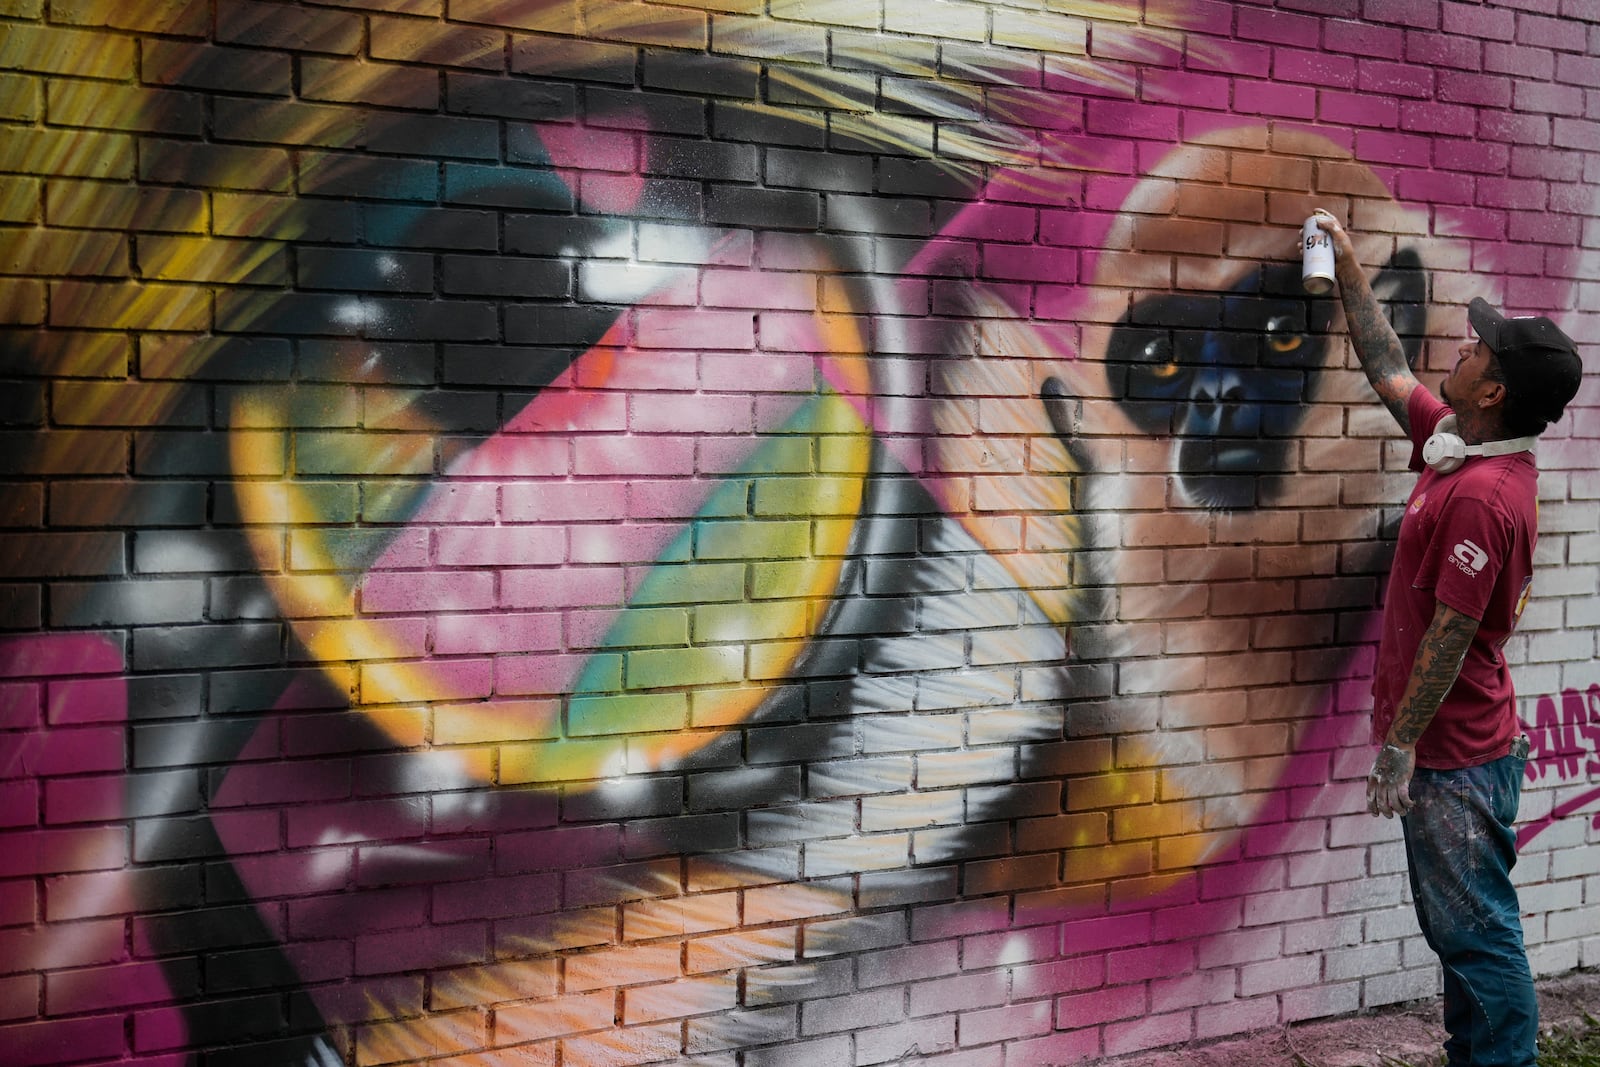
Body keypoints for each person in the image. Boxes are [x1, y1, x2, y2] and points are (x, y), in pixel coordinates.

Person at [1313, 210, 1584, 1066]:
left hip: (1456, 755)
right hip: (1462, 748)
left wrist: (1400, 746)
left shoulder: (1482, 494)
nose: (1461, 348)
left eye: (1476, 349)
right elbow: (1386, 366)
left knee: (1476, 934)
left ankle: (1505, 1060)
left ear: (1495, 390)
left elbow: (1453, 634)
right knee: (1458, 928)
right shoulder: (1456, 449)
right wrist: (1348, 262)